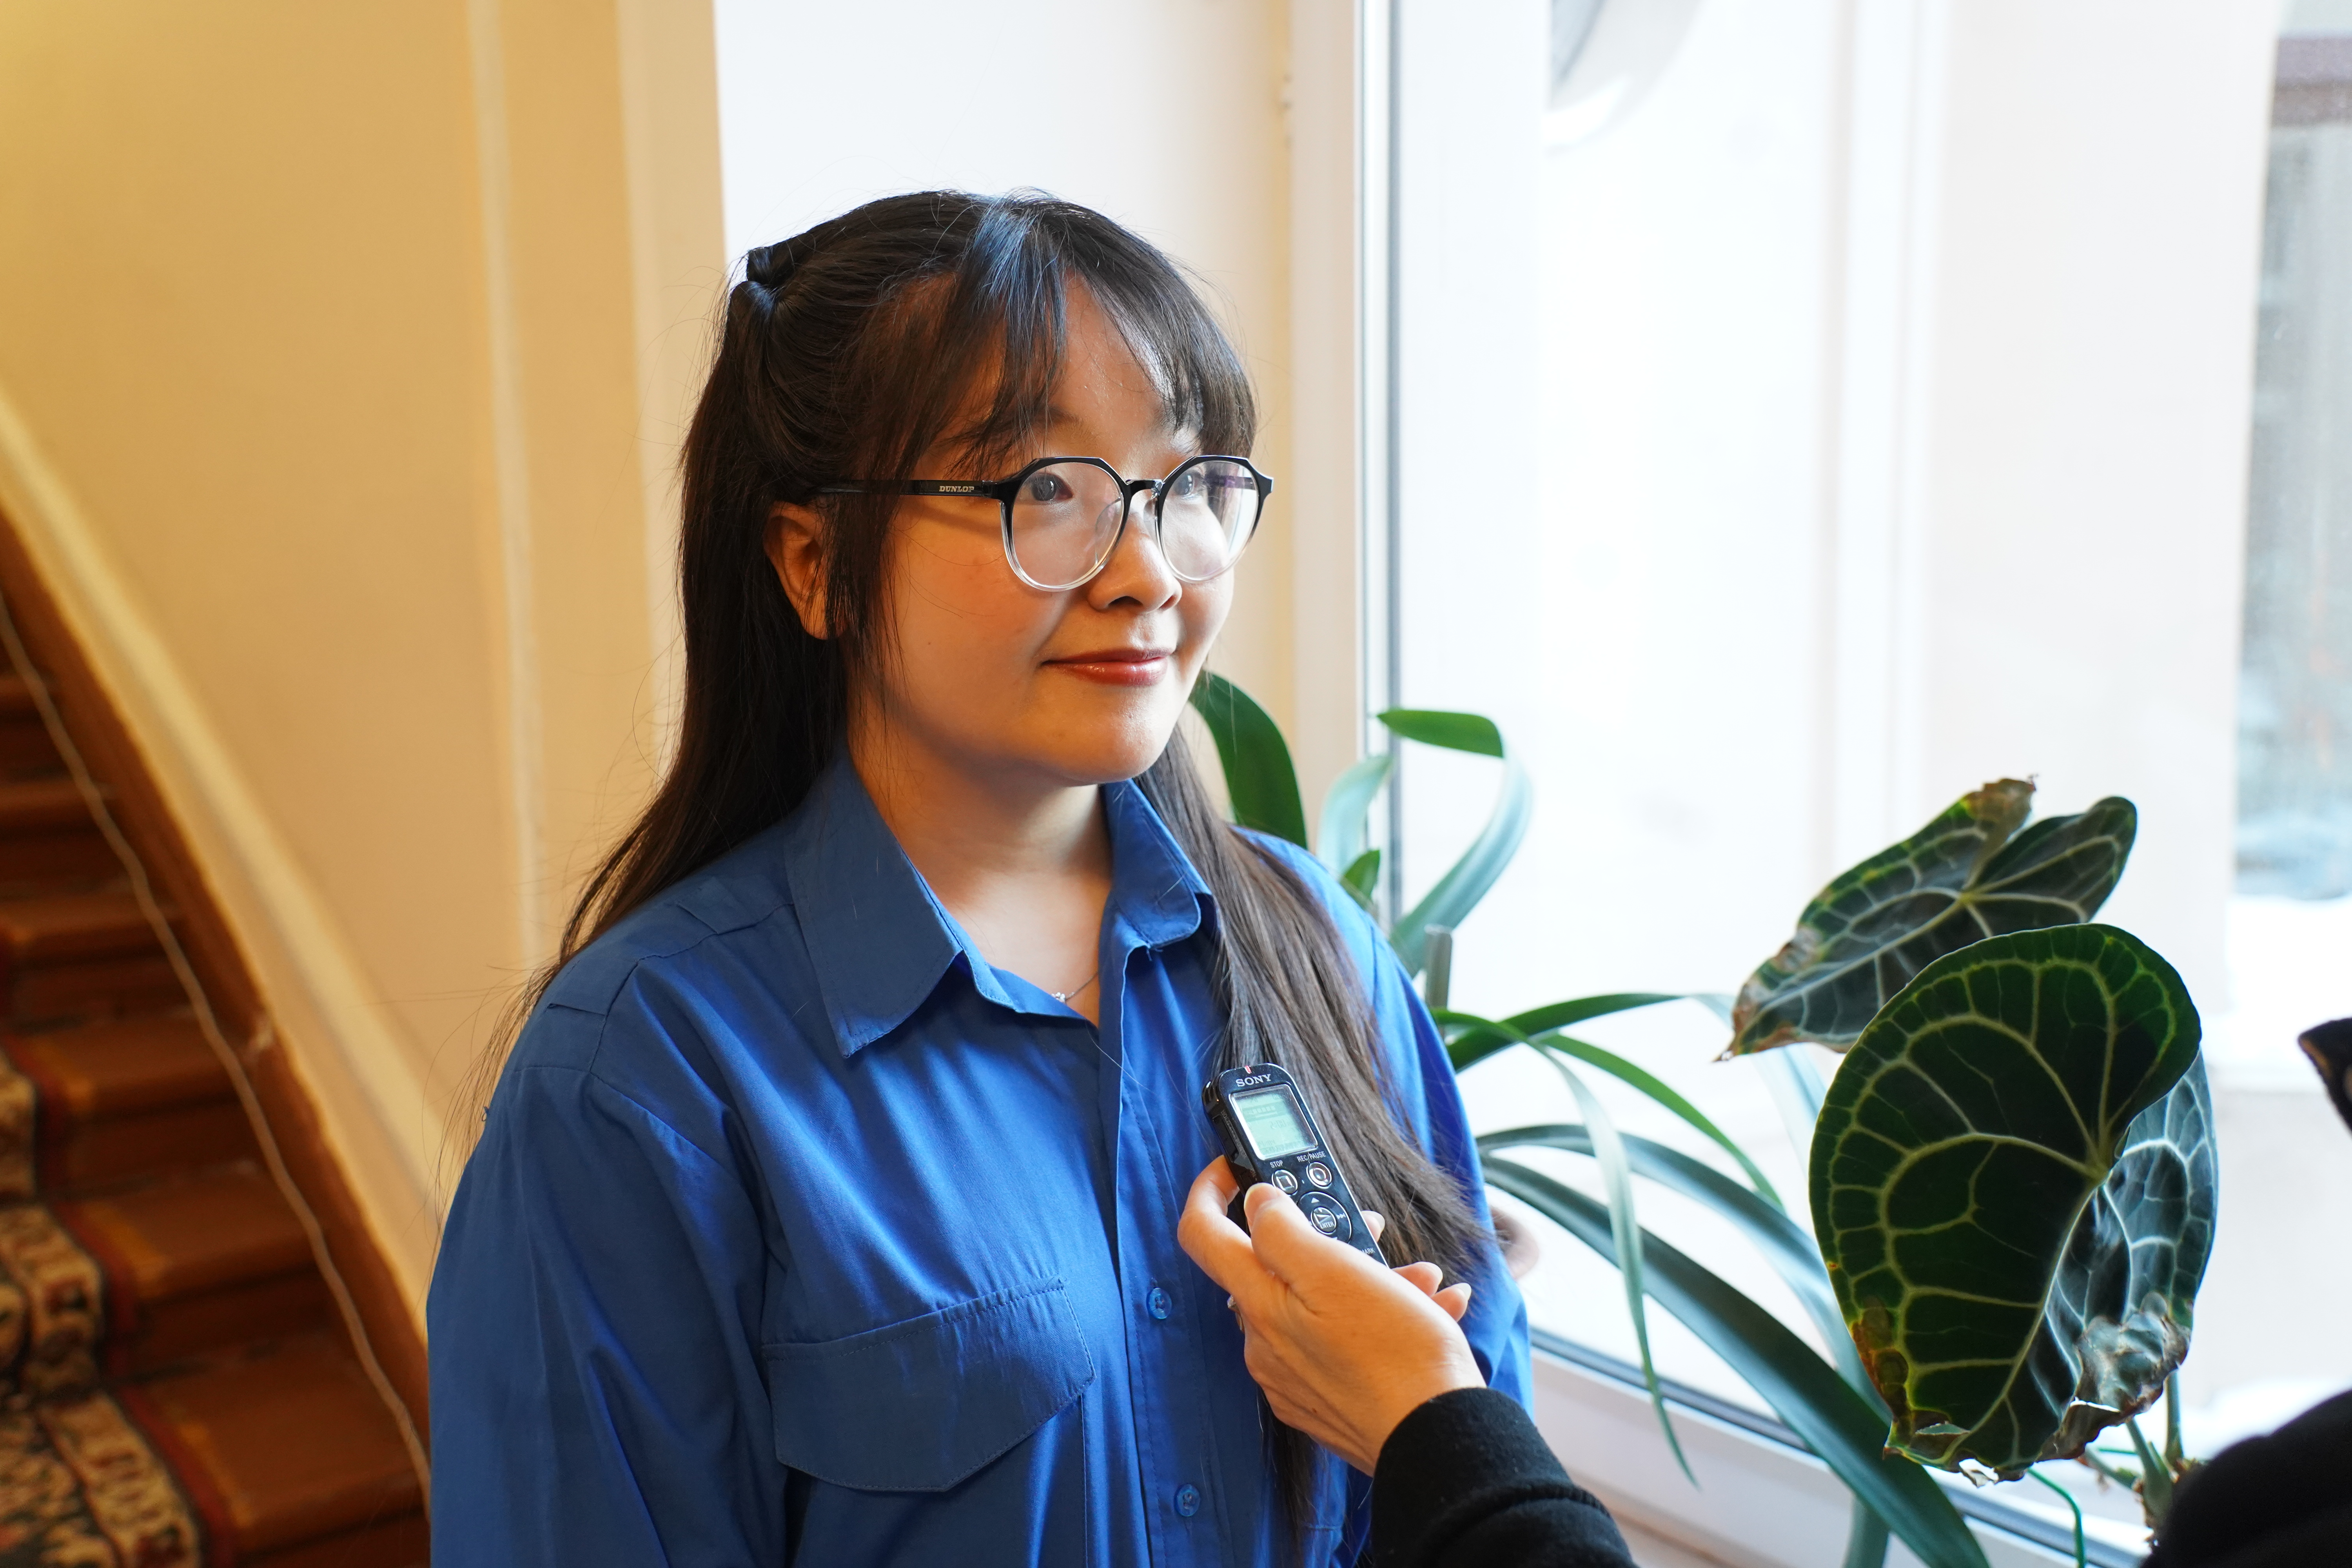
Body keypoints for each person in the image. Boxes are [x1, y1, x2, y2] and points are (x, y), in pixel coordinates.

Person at [427, 190, 1529, 1567]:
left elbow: (1470, 1466)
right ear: (813, 564)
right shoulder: (644, 1078)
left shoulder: (1314, 946)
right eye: (1043, 491)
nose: (1146, 572)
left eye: (1185, 484)